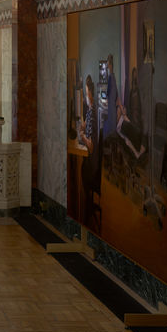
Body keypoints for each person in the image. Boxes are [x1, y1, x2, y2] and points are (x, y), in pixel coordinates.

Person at [79, 74, 100, 225]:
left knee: (81, 169)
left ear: (91, 95)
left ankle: (85, 205)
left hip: (93, 164)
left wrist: (82, 137)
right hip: (92, 159)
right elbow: (85, 125)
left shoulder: (93, 113)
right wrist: (82, 126)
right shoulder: (90, 110)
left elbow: (91, 146)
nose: (86, 97)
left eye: (86, 94)